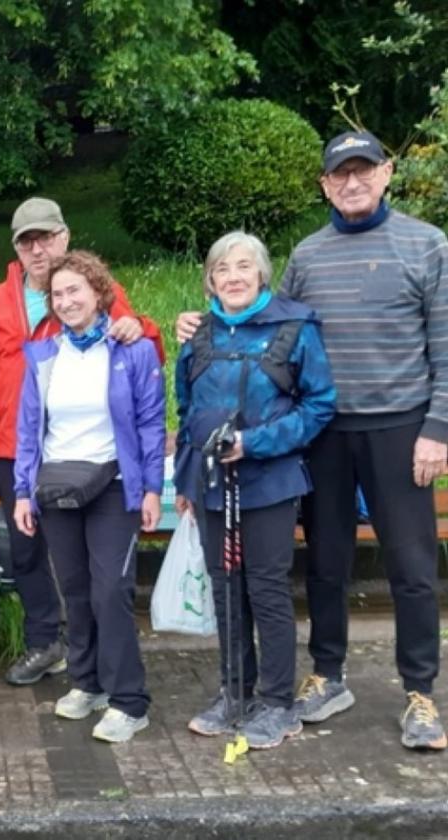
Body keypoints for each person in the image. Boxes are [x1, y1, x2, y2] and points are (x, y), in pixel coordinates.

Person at [176, 130, 448, 751]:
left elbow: (446, 344)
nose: (352, 183)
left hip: (399, 427)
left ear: (386, 173)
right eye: (339, 175)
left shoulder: (427, 245)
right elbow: (270, 325)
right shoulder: (307, 253)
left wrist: (438, 429)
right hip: (321, 437)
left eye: (364, 171)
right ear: (325, 185)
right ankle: (328, 675)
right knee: (325, 564)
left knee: (410, 566)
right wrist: (201, 320)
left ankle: (420, 691)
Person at [0, 197, 163, 688]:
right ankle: (47, 643)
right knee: (26, 552)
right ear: (16, 248)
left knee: (94, 577)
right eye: (27, 241)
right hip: (16, 446)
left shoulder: (88, 288)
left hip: (90, 458)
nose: (37, 249)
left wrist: (138, 325)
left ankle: (111, 673)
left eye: (45, 237)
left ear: (63, 237)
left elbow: (141, 345)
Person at [174, 231, 336, 750]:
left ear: (262, 274)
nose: (234, 277)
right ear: (210, 280)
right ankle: (234, 692)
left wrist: (257, 443)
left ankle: (276, 703)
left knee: (266, 590)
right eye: (223, 269)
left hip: (269, 483)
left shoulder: (295, 327)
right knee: (226, 591)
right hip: (213, 486)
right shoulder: (199, 333)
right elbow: (187, 408)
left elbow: (319, 406)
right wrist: (186, 481)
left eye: (245, 267)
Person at [12, 250, 165, 744]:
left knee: (110, 592)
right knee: (74, 591)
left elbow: (149, 422)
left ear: (99, 292)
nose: (66, 300)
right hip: (57, 487)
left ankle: (128, 700)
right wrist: (22, 492)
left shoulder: (132, 350)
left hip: (113, 488)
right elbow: (28, 428)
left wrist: (152, 489)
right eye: (57, 294)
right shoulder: (43, 356)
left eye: (75, 290)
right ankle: (88, 682)